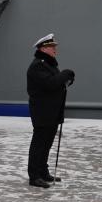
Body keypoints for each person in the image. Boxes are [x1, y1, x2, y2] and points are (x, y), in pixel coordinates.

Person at [26, 34, 74, 189]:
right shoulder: (38, 66)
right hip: (42, 112)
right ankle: (34, 176)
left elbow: (57, 85)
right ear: (43, 48)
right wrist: (65, 73)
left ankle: (43, 171)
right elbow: (51, 84)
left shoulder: (49, 64)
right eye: (52, 47)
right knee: (39, 144)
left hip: (52, 111)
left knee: (46, 144)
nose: (55, 50)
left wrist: (66, 79)